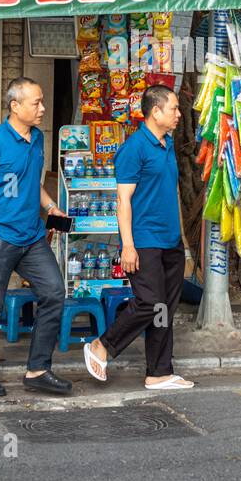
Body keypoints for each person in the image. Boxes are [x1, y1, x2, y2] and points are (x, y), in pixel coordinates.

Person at [82, 85, 193, 390]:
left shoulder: (166, 144)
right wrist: (127, 246)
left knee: (164, 310)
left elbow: (168, 194)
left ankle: (159, 372)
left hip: (170, 241)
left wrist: (180, 240)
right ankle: (102, 345)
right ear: (155, 112)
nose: (179, 114)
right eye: (173, 108)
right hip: (144, 241)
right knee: (149, 303)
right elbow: (123, 201)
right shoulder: (134, 149)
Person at [0, 76, 70, 397]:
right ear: (15, 106)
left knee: (54, 293)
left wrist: (51, 207)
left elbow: (31, 184)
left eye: (41, 101)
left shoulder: (37, 139)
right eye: (36, 102)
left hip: (33, 238)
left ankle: (38, 369)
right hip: (0, 240)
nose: (42, 108)